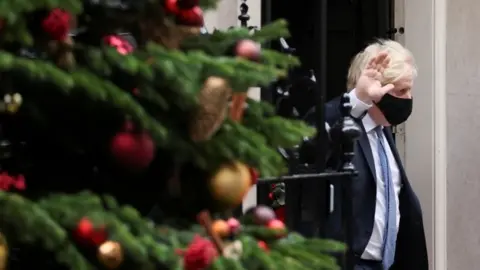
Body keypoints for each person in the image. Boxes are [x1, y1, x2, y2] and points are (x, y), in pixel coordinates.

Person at [322, 39, 428, 270]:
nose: (408, 98)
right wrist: (358, 99)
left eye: (410, 89)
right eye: (401, 90)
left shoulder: (383, 132)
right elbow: (314, 140)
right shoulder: (343, 127)